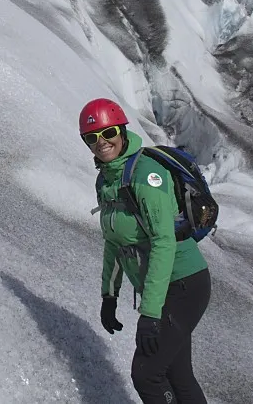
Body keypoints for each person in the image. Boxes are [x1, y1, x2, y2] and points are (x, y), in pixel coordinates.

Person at [80, 97, 212, 404]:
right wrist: (108, 297)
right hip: (164, 287)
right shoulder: (107, 180)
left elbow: (163, 243)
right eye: (92, 137)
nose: (102, 142)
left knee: (147, 374)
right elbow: (115, 242)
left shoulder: (146, 176)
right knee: (178, 375)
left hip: (184, 284)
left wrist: (150, 315)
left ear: (123, 131)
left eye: (108, 133)